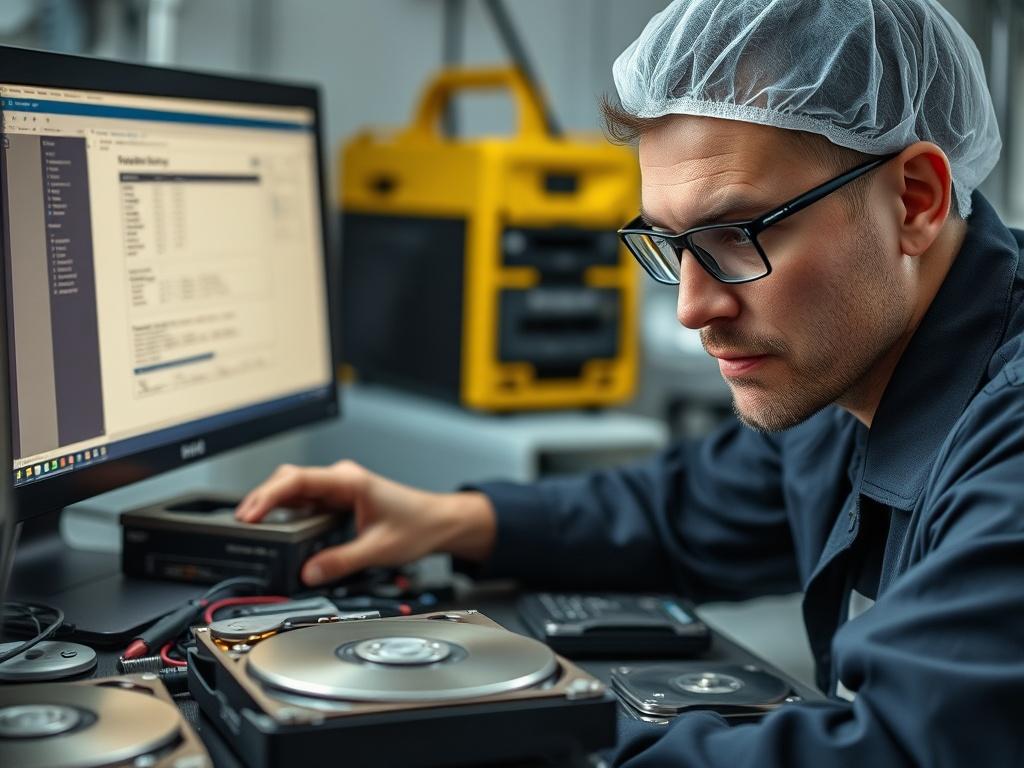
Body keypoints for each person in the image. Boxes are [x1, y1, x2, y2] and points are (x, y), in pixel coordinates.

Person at [237, 0, 1024, 764]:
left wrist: (491, 728)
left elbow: (910, 748)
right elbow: (680, 509)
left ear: (915, 201)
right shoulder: (852, 375)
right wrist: (446, 519)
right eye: (670, 243)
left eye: (735, 234)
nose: (693, 307)